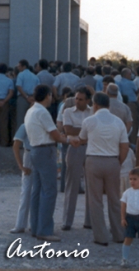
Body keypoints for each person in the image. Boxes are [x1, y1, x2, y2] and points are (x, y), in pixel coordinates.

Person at [70, 92, 129, 246]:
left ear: (95, 105)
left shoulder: (89, 121)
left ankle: (101, 236)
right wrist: (118, 162)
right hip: (112, 161)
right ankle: (119, 234)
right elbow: (125, 146)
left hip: (93, 160)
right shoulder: (118, 122)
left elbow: (82, 139)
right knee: (114, 199)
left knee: (95, 200)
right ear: (108, 105)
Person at [24, 84, 67, 242]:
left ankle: (36, 227)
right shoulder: (43, 112)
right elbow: (55, 135)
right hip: (45, 151)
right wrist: (68, 139)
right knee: (49, 191)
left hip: (35, 150)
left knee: (38, 190)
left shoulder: (31, 110)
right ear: (48, 95)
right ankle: (44, 230)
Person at [61, 86, 92, 231]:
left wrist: (80, 131)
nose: (77, 102)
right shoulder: (67, 111)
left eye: (80, 99)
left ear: (87, 100)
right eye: (76, 99)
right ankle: (67, 221)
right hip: (75, 148)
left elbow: (75, 130)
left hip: (91, 149)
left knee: (91, 186)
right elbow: (68, 130)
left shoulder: (93, 112)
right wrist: (87, 131)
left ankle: (89, 221)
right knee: (71, 183)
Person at [9, 123, 33, 234]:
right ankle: (21, 224)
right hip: (29, 154)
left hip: (36, 154)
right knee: (27, 191)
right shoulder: (25, 126)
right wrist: (21, 166)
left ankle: (31, 224)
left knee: (33, 191)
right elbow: (16, 145)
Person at [15, 60, 40, 132]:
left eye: (19, 66)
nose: (18, 68)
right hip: (33, 98)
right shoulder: (35, 76)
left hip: (22, 98)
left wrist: (26, 97)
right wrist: (33, 98)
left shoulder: (21, 74)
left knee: (20, 119)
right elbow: (38, 88)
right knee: (31, 119)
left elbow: (19, 86)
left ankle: (20, 140)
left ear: (24, 66)